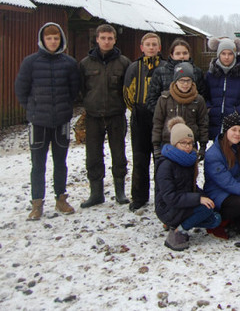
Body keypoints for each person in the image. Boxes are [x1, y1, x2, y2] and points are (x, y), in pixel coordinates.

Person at [15, 22, 80, 220]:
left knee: (60, 162)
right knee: (38, 164)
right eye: (49, 38)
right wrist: (32, 109)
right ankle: (37, 203)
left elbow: (74, 90)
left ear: (61, 40)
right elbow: (21, 89)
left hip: (61, 121)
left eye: (56, 38)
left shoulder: (69, 63)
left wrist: (65, 108)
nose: (52, 42)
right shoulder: (30, 62)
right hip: (38, 122)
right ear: (42, 40)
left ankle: (61, 198)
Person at [79, 24, 132, 208]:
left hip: (116, 115)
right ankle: (96, 193)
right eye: (103, 38)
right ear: (97, 39)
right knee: (93, 155)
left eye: (110, 38)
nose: (106, 41)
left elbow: (128, 89)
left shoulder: (124, 63)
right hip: (93, 116)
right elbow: (82, 89)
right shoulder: (86, 63)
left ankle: (120, 192)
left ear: (115, 40)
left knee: (119, 154)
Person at [155, 117, 221, 251]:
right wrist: (198, 199)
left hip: (182, 203)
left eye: (190, 143)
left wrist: (205, 197)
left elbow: (190, 186)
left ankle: (179, 224)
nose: (187, 146)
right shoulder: (165, 165)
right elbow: (169, 197)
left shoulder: (189, 161)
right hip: (168, 208)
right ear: (175, 143)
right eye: (183, 143)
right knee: (206, 209)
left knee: (215, 219)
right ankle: (178, 231)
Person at [123, 32, 163, 211]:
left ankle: (161, 195)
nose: (151, 47)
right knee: (140, 157)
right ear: (142, 47)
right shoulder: (134, 67)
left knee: (160, 158)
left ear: (159, 48)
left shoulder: (164, 67)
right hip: (139, 115)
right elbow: (127, 93)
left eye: (154, 44)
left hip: (160, 116)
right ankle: (139, 196)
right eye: (148, 44)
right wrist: (137, 109)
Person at [152, 63, 209, 165]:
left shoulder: (198, 100)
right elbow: (158, 123)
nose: (185, 84)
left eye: (188, 80)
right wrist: (156, 146)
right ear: (176, 81)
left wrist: (203, 146)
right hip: (168, 144)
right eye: (182, 80)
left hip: (189, 145)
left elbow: (203, 123)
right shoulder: (165, 99)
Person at [205, 36, 240, 141]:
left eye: (230, 54)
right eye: (223, 54)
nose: (226, 57)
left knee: (233, 155)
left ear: (235, 55)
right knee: (216, 154)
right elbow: (204, 96)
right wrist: (210, 109)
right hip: (215, 123)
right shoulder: (210, 75)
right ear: (218, 54)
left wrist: (236, 111)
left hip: (235, 125)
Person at [146, 38, 207, 113]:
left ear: (189, 54)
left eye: (185, 53)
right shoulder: (161, 72)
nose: (182, 56)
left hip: (191, 118)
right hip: (167, 119)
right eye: (178, 53)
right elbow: (151, 99)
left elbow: (203, 96)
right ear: (172, 55)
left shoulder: (197, 72)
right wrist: (163, 114)